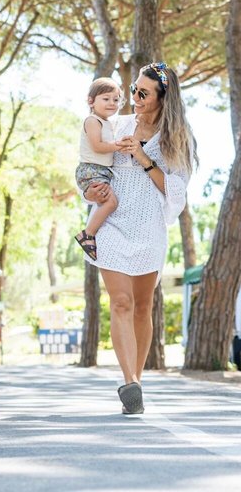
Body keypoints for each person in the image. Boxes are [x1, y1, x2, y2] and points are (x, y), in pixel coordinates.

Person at [84, 62, 197, 415]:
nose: (133, 96)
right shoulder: (115, 125)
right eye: (133, 89)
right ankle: (129, 382)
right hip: (112, 221)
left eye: (143, 93)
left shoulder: (178, 137)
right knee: (121, 302)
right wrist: (89, 191)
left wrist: (143, 156)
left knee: (143, 306)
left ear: (163, 98)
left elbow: (176, 192)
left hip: (149, 225)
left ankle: (137, 381)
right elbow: (88, 162)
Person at [74, 78, 123, 261]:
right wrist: (118, 145)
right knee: (111, 202)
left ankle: (94, 234)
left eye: (116, 100)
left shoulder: (107, 122)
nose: (112, 103)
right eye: (106, 98)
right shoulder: (92, 121)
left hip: (100, 170)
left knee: (108, 202)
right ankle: (88, 234)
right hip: (91, 170)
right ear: (91, 101)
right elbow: (97, 146)